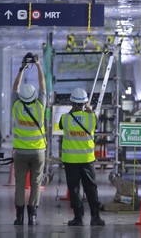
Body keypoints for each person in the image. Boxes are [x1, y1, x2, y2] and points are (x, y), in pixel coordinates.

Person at [11, 52, 46, 226]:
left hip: (20, 152)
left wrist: (22, 68)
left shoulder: (16, 105)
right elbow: (43, 86)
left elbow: (15, 87)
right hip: (38, 151)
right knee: (36, 183)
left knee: (19, 184)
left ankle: (19, 217)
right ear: (33, 95)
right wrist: (38, 65)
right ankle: (32, 216)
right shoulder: (40, 105)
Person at [60, 88, 105, 226]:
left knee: (74, 189)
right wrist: (89, 109)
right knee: (91, 188)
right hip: (87, 160)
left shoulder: (65, 118)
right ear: (85, 103)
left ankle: (78, 218)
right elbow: (94, 122)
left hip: (70, 161)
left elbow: (63, 125)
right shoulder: (91, 118)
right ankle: (95, 217)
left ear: (72, 102)